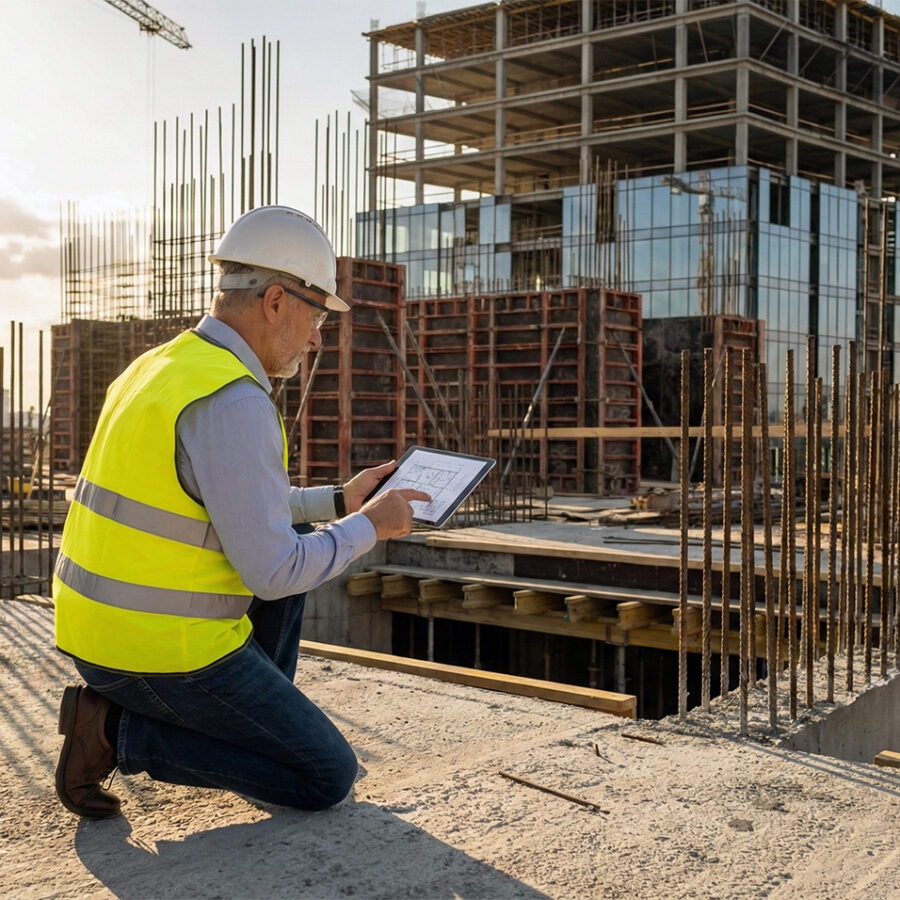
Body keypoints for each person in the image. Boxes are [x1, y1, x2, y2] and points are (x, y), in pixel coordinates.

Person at [52, 205, 430, 820]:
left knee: (303, 531)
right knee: (323, 774)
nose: (315, 339)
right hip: (156, 651)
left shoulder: (162, 367)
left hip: (96, 633)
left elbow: (229, 510)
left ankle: (249, 721)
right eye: (315, 315)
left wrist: (339, 501)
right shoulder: (233, 400)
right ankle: (114, 733)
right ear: (276, 301)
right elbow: (273, 572)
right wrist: (371, 527)